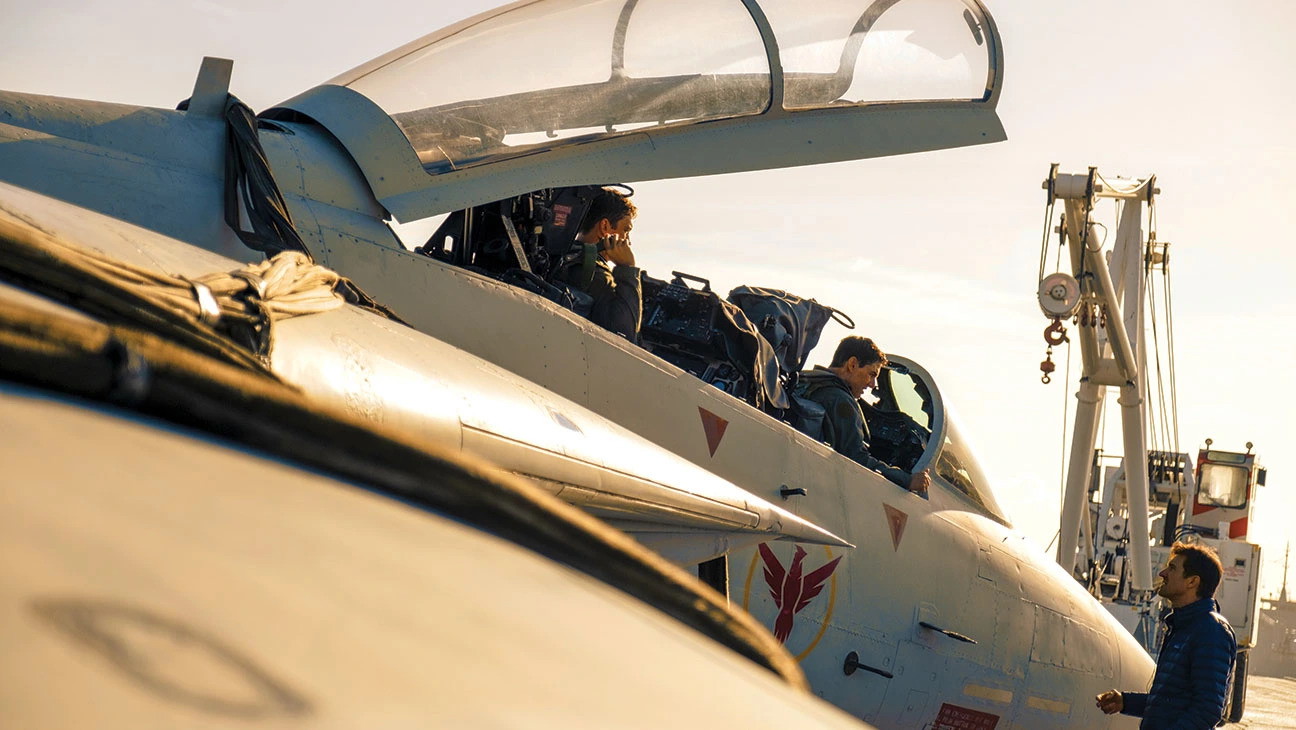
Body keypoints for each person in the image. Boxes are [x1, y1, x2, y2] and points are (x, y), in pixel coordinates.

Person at [1095, 542, 1237, 729]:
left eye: (1172, 568)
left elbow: (1207, 709)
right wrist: (1125, 702)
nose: (1162, 574)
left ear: (1192, 581)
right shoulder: (1183, 627)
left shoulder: (1212, 632)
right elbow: (1169, 703)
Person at [795, 336, 930, 495]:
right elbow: (856, 460)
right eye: (871, 374)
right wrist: (907, 480)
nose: (873, 385)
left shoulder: (803, 382)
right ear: (852, 365)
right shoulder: (840, 400)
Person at [554, 188, 641, 341]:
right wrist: (628, 269)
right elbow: (624, 335)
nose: (628, 240)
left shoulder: (559, 255)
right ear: (605, 227)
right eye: (626, 230)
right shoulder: (595, 273)